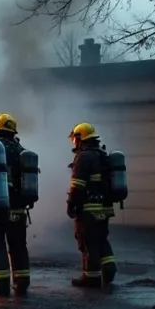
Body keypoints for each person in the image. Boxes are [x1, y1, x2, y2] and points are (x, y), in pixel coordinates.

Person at [66, 123, 118, 288]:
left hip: (89, 208)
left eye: (75, 139)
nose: (74, 143)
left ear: (81, 138)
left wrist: (71, 204)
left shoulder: (84, 156)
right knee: (101, 239)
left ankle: (91, 277)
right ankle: (109, 269)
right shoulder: (102, 154)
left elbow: (77, 184)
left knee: (87, 241)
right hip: (105, 207)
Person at [0, 113, 32, 297]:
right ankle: (22, 283)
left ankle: (1, 283)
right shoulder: (21, 149)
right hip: (19, 208)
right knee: (18, 245)